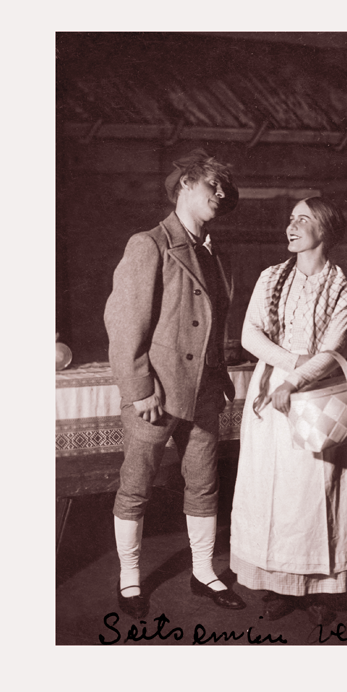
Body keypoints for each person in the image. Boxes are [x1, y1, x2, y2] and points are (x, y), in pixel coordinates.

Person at [104, 149, 246, 618]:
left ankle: (203, 572)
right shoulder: (149, 244)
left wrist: (219, 374)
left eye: (224, 188)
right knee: (136, 487)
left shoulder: (216, 253)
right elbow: (124, 326)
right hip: (157, 395)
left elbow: (211, 326)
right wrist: (139, 390)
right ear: (185, 184)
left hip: (203, 391)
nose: (220, 193)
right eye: (212, 184)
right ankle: (129, 578)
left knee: (204, 484)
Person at [230, 196, 347, 625]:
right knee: (271, 490)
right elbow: (250, 335)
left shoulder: (344, 290)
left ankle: (319, 589)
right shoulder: (271, 277)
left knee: (315, 493)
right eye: (291, 219)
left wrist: (294, 381)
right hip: (271, 398)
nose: (291, 226)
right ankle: (277, 585)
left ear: (325, 230)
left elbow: (332, 353)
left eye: (302, 220)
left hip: (318, 402)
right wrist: (288, 366)